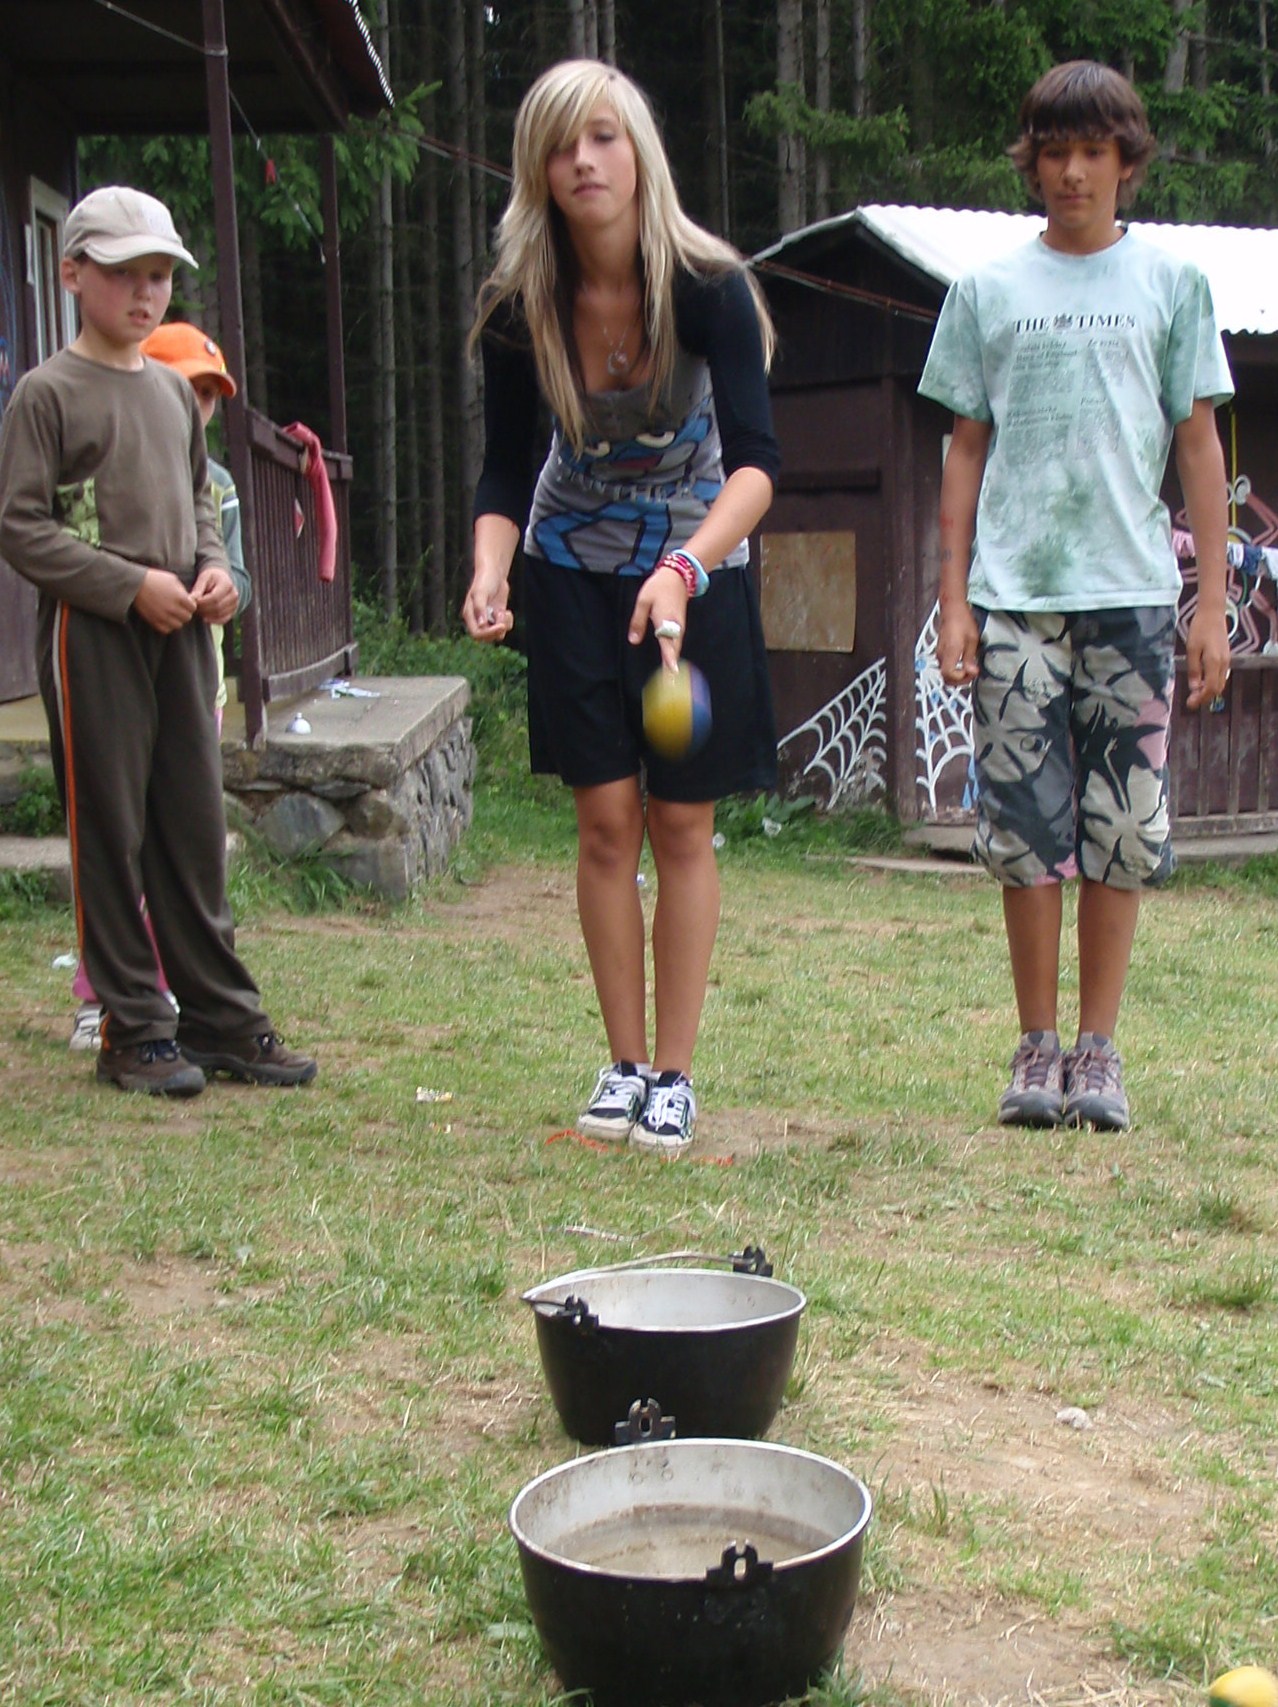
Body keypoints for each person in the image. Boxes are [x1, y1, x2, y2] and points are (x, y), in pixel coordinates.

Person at [462, 60, 779, 1155]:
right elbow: (505, 472)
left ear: (639, 153)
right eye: (561, 145)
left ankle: (676, 1078)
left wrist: (684, 567)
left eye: (603, 137)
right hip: (568, 566)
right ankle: (624, 1067)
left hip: (697, 567)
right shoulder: (520, 306)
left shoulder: (708, 287)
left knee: (681, 820)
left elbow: (757, 466)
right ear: (537, 171)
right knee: (604, 822)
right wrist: (491, 569)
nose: (583, 161)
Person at [917, 61, 1232, 1131]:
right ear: (1033, 162)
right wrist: (953, 599)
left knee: (1123, 827)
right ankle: (1037, 1044)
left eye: (1092, 152)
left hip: (1133, 595)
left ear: (1126, 163)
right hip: (1013, 596)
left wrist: (1209, 602)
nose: (1072, 173)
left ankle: (1099, 1051)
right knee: (1024, 828)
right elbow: (963, 451)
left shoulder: (1174, 285)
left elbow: (1199, 445)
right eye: (1054, 152)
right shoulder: (986, 291)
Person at [0, 184, 315, 1096]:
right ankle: (133, 1027)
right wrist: (127, 585)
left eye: (159, 276)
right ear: (72, 274)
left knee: (192, 822)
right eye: (124, 274)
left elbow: (203, 512)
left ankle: (219, 1017)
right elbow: (20, 526)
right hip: (93, 633)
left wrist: (215, 572)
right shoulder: (46, 395)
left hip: (182, 633)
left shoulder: (176, 396)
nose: (145, 294)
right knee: (112, 824)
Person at [66, 320, 252, 1055]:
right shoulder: (97, 435)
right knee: (119, 835)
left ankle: (180, 992)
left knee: (188, 842)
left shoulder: (220, 483)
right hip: (112, 667)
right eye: (188, 388)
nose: (199, 405)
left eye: (210, 395)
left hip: (198, 682)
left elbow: (233, 569)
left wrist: (222, 586)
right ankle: (102, 999)